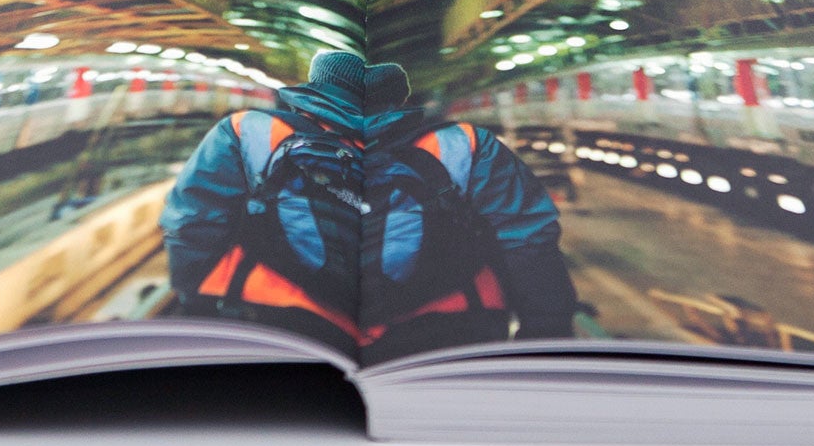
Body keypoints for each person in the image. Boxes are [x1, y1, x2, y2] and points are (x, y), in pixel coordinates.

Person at [160, 49, 577, 360]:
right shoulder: (466, 145)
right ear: (400, 98)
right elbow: (528, 240)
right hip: (446, 331)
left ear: (316, 88)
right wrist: (546, 329)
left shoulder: (247, 132)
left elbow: (191, 224)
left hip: (272, 321)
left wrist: (194, 303)